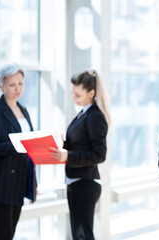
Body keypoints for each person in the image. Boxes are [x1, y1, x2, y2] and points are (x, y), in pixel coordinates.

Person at [50, 70, 110, 240]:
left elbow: (99, 155)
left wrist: (68, 155)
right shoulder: (83, 114)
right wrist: (62, 145)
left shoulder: (95, 117)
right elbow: (80, 145)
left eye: (78, 94)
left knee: (83, 235)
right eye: (72, 93)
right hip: (76, 183)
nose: (73, 98)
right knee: (79, 235)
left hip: (85, 184)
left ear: (91, 93)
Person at [0, 63, 37, 239]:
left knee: (8, 235)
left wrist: (33, 184)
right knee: (3, 235)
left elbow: (29, 150)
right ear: (0, 86)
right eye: (12, 84)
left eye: (21, 83)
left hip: (18, 184)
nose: (17, 88)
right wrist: (14, 146)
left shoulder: (24, 110)